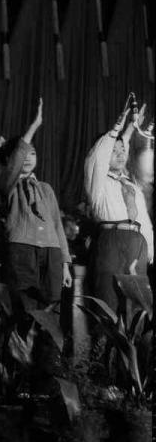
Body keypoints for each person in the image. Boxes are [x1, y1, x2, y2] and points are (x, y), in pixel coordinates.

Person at [0, 98, 72, 316]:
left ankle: (47, 341)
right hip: (22, 250)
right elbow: (16, 161)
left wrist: (65, 264)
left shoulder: (46, 188)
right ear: (11, 159)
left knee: (52, 308)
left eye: (33, 153)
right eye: (23, 153)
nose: (28, 158)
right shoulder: (8, 184)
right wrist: (34, 126)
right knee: (26, 307)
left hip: (52, 252)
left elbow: (57, 226)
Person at [84, 104, 153, 311]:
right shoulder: (97, 181)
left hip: (137, 241)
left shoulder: (131, 185)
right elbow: (97, 156)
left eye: (122, 150)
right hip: (111, 241)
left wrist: (150, 248)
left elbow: (143, 219)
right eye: (113, 151)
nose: (120, 154)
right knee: (109, 300)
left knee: (137, 304)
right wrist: (118, 128)